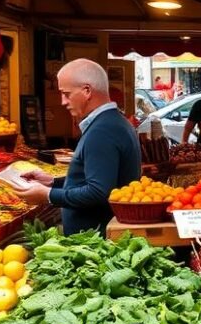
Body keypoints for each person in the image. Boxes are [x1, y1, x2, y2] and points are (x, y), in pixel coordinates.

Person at [12, 59, 141, 235]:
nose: (63, 102)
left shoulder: (103, 130)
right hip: (96, 238)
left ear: (87, 91)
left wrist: (48, 195)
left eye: (66, 94)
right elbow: (102, 180)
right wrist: (53, 182)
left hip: (95, 242)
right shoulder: (114, 122)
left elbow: (98, 192)